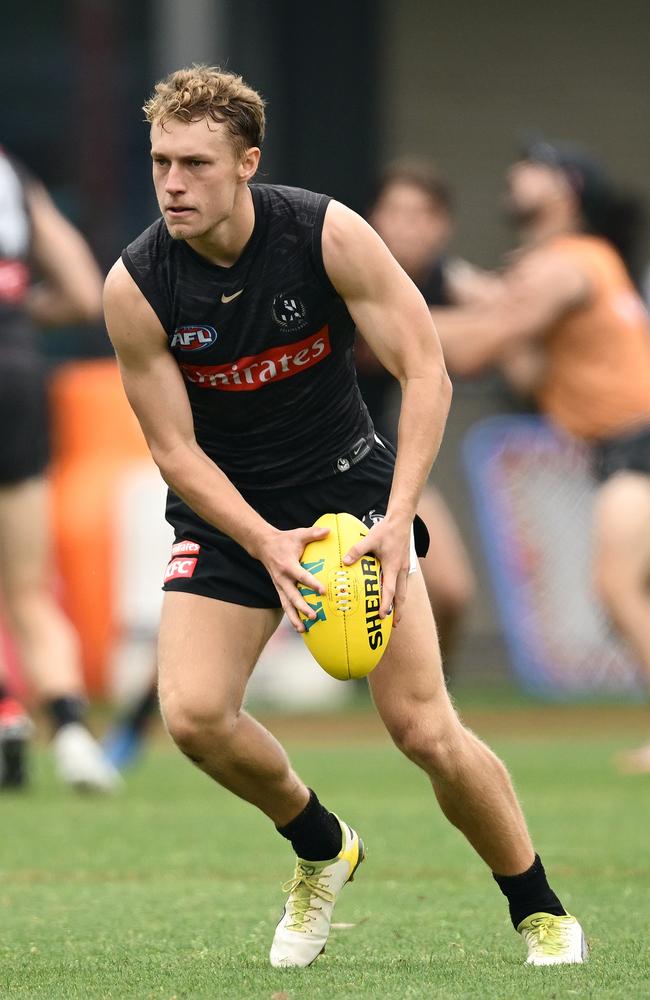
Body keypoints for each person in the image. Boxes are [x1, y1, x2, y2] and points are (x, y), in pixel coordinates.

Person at [103, 66, 586, 969]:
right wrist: (260, 542)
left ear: (246, 163)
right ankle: (322, 844)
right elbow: (175, 452)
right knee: (195, 716)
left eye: (195, 164)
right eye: (161, 162)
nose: (172, 183)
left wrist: (398, 517)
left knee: (424, 729)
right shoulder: (137, 286)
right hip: (232, 515)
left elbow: (428, 369)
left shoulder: (324, 233)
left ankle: (541, 909)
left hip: (350, 499)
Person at [432, 138, 650, 772]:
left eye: (535, 167)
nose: (517, 173)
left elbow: (476, 351)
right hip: (617, 450)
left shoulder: (568, 260)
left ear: (566, 190)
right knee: (622, 587)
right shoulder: (559, 264)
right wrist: (486, 297)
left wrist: (367, 310)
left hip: (638, 444)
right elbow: (524, 365)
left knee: (616, 585)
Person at [0, 146, 121, 792]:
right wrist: (19, 313)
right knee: (27, 587)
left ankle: (4, 710)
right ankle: (72, 732)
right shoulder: (15, 175)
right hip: (17, 374)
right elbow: (82, 291)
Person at [356, 161, 477, 667]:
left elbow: (508, 329)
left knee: (451, 591)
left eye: (422, 213)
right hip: (305, 452)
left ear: (442, 226)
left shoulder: (447, 279)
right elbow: (374, 349)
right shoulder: (353, 271)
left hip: (387, 456)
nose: (408, 224)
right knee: (239, 587)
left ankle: (429, 695)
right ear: (374, 218)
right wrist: (509, 318)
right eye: (396, 211)